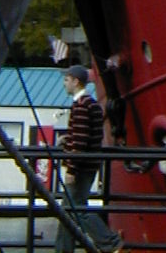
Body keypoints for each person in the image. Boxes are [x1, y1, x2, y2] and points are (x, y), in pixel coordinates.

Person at [55, 65, 121, 253]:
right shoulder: (91, 104)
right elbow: (87, 135)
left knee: (76, 210)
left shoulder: (81, 106)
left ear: (76, 82)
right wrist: (68, 138)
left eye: (67, 80)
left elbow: (81, 141)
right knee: (69, 210)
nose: (64, 83)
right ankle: (63, 249)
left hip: (81, 167)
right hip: (88, 165)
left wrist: (71, 169)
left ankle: (111, 242)